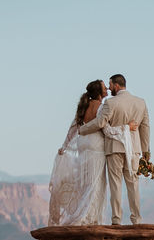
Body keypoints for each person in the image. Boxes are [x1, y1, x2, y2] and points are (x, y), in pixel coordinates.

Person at [48, 80, 139, 226]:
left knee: (86, 181)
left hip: (82, 144)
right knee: (96, 183)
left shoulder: (83, 107)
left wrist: (64, 146)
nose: (108, 90)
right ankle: (89, 217)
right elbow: (107, 130)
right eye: (105, 88)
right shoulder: (102, 107)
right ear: (99, 92)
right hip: (96, 145)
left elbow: (73, 128)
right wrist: (127, 128)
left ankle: (85, 213)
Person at [79, 73, 151, 226]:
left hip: (114, 148)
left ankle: (116, 219)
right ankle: (136, 219)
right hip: (134, 149)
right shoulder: (141, 102)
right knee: (133, 184)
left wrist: (83, 130)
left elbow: (100, 123)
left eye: (110, 85)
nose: (109, 88)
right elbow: (145, 128)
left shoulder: (110, 103)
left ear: (117, 85)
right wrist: (146, 151)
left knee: (115, 184)